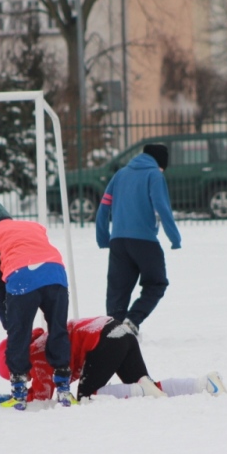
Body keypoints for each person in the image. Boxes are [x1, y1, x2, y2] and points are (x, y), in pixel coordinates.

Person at [0, 316, 227, 405]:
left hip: (103, 340)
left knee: (86, 398)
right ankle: (203, 384)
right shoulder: (39, 341)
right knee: (148, 386)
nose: (21, 378)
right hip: (118, 330)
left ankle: (142, 390)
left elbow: (42, 395)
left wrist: (14, 398)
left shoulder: (36, 358)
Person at [0, 201, 74, 410]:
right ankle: (64, 390)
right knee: (58, 330)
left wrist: (9, 321)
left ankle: (19, 392)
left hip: (23, 278)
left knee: (19, 335)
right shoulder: (33, 226)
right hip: (56, 275)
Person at [95, 144, 181, 338]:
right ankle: (132, 321)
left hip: (118, 242)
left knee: (118, 291)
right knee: (157, 283)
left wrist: (103, 237)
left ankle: (115, 333)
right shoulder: (154, 175)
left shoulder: (120, 174)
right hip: (145, 242)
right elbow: (162, 207)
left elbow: (104, 206)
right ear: (160, 163)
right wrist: (174, 238)